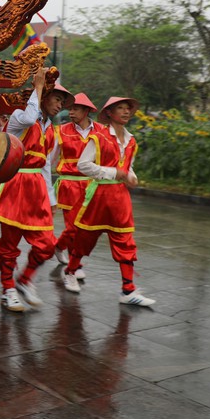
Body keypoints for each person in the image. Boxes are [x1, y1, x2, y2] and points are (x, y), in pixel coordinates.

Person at [0, 68, 71, 312]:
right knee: (9, 244)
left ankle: (25, 280)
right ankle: (8, 288)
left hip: (36, 191)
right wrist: (37, 86)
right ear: (44, 96)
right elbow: (28, 117)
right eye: (57, 99)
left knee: (46, 244)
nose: (60, 106)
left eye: (62, 102)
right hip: (15, 186)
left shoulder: (50, 131)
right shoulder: (18, 118)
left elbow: (45, 167)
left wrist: (51, 197)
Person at [74, 97, 155, 306]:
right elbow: (83, 165)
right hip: (100, 193)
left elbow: (128, 166)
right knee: (85, 237)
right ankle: (70, 270)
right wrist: (112, 172)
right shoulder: (98, 136)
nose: (126, 112)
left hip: (120, 197)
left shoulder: (131, 140)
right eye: (121, 108)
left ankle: (128, 290)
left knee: (125, 240)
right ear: (109, 113)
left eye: (128, 109)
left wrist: (131, 176)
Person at [50, 93, 100, 287]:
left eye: (75, 108)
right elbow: (50, 160)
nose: (70, 112)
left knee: (85, 229)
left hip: (92, 185)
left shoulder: (101, 131)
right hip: (69, 184)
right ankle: (75, 266)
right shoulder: (60, 131)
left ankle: (58, 246)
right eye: (68, 108)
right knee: (73, 228)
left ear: (86, 111)